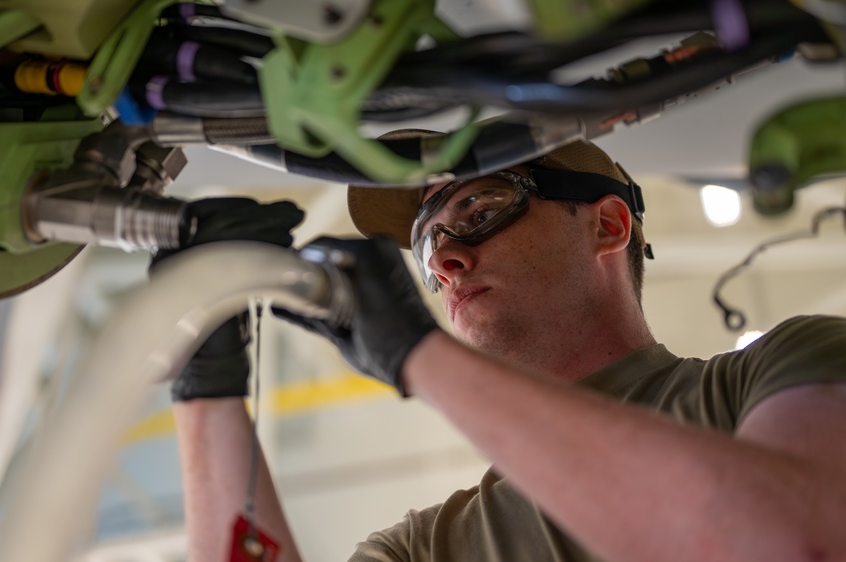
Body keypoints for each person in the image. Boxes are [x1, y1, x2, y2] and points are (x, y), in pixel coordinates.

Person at [152, 139, 846, 562]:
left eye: (481, 211)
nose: (444, 260)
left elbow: (800, 542)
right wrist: (207, 382)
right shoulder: (426, 549)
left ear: (607, 226)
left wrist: (418, 355)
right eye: (428, 244)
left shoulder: (783, 369)